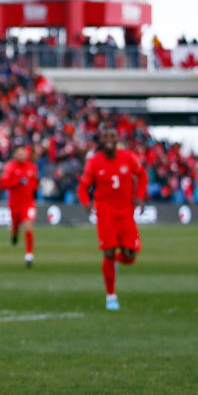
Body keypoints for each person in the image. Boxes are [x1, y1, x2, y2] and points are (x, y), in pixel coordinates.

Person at [77, 126, 148, 311]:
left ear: (117, 139)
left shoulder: (128, 157)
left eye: (112, 136)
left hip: (126, 212)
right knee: (108, 252)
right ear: (99, 140)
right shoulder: (93, 162)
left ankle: (111, 262)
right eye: (105, 136)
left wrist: (140, 196)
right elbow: (82, 187)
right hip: (105, 213)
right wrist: (86, 203)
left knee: (130, 256)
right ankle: (111, 296)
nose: (109, 139)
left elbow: (142, 175)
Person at [0, 144, 39, 267]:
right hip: (15, 204)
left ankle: (29, 255)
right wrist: (17, 182)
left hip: (28, 203)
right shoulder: (10, 167)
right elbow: (3, 185)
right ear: (15, 154)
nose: (23, 155)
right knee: (15, 226)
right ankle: (14, 235)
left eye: (24, 152)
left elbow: (34, 184)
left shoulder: (32, 167)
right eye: (20, 153)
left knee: (28, 226)